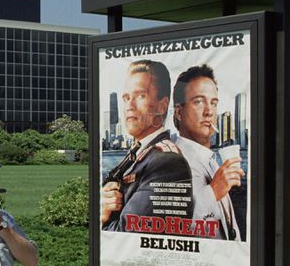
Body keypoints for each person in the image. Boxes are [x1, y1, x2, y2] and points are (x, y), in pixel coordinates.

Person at [102, 59, 193, 231]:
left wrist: (102, 218)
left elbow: (126, 236)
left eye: (141, 95)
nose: (130, 105)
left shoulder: (167, 163)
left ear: (163, 105)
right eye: (126, 97)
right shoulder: (137, 153)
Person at [173, 64, 244, 240]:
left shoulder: (208, 159)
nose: (209, 111)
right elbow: (175, 226)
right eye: (198, 101)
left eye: (213, 103)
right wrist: (213, 192)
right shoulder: (173, 162)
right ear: (179, 112)